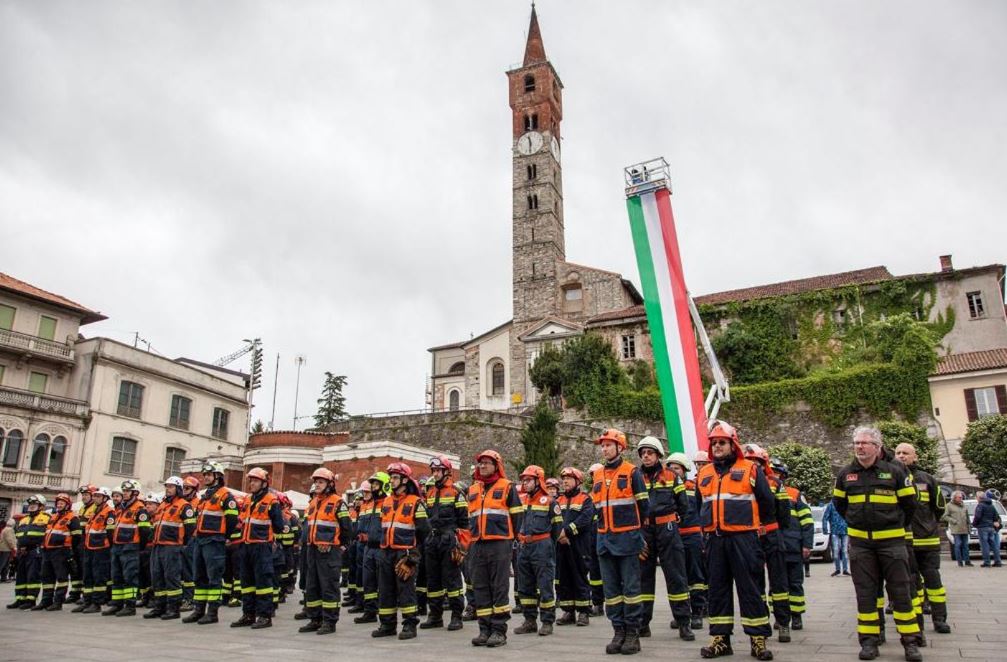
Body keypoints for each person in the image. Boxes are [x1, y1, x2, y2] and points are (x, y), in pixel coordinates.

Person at [833, 426, 921, 662]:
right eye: (856, 443)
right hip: (861, 546)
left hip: (892, 543)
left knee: (901, 593)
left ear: (877, 446)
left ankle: (910, 643)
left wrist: (894, 525)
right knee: (866, 595)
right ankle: (869, 642)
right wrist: (857, 524)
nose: (859, 447)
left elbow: (910, 504)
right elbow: (840, 505)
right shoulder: (845, 474)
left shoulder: (895, 471)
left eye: (864, 443)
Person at [697, 422, 776, 661]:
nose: (717, 446)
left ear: (733, 445)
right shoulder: (704, 473)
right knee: (717, 591)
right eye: (714, 443)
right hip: (715, 540)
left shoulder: (751, 469)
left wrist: (762, 534)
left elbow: (767, 503)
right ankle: (721, 640)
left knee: (751, 590)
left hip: (744, 539)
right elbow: (697, 507)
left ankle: (758, 640)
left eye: (722, 442)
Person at [591, 428, 650, 656]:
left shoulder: (632, 472)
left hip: (627, 540)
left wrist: (639, 537)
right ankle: (618, 631)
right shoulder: (597, 475)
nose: (604, 448)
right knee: (612, 591)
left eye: (608, 445)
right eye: (602, 445)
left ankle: (633, 633)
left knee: (632, 590)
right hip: (605, 541)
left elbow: (644, 507)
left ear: (619, 447)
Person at [635, 436, 694, 641]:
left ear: (658, 455)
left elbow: (683, 505)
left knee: (676, 576)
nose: (646, 456)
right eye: (643, 453)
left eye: (650, 453)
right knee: (643, 578)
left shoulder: (671, 476)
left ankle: (683, 622)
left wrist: (674, 523)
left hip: (668, 530)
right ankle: (643, 624)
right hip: (644, 531)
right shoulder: (636, 477)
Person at [467, 449, 523, 648]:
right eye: (480, 463)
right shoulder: (473, 489)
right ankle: (484, 629)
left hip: (500, 543)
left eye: (487, 463)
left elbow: (517, 516)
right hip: (477, 544)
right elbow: (469, 518)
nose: (483, 466)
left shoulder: (507, 487)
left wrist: (512, 540)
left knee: (499, 587)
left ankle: (499, 631)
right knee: (480, 587)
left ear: (496, 466)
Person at [894, 443, 950, 635]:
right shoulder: (892, 479)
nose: (901, 456)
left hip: (928, 541)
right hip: (904, 541)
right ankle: (917, 623)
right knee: (911, 583)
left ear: (914, 457)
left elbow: (939, 507)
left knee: (933, 581)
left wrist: (928, 524)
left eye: (905, 453)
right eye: (898, 453)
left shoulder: (927, 479)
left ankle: (940, 619)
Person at [373, 462, 430, 640]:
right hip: (386, 551)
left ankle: (409, 625)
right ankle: (388, 624)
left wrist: (413, 556)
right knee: (385, 589)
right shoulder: (387, 502)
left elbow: (424, 532)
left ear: (405, 479)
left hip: (404, 553)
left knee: (406, 590)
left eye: (396, 477)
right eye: (391, 477)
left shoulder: (416, 503)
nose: (392, 480)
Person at [744, 444, 791, 642]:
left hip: (772, 535)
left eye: (757, 461)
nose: (753, 464)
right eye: (750, 460)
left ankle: (783, 623)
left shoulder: (774, 483)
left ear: (763, 463)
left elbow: (784, 514)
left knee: (779, 581)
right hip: (751, 536)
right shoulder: (741, 481)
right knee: (755, 582)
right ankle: (761, 619)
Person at [184, 461, 239, 625]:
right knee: (199, 576)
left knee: (214, 577)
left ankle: (212, 612)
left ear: (217, 476)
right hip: (200, 540)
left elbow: (232, 519)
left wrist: (224, 536)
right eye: (205, 474)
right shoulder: (205, 496)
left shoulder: (226, 496)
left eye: (209, 474)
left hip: (214, 540)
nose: (206, 477)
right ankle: (198, 609)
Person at [299, 467, 352, 635]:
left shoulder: (338, 502)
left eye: (321, 482)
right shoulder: (313, 502)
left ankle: (329, 621)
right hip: (312, 550)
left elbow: (347, 528)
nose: (317, 485)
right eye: (316, 482)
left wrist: (341, 546)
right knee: (312, 585)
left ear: (330, 484)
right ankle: (315, 619)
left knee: (329, 586)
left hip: (329, 552)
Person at [230, 468, 286, 629]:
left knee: (263, 582)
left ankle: (264, 616)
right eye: (251, 480)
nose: (251, 483)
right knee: (246, 582)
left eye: (255, 481)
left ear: (263, 483)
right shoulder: (248, 500)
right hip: (246, 546)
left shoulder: (272, 501)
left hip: (262, 547)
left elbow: (279, 526)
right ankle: (248, 614)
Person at [513, 465, 562, 637]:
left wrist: (547, 543)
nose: (525, 483)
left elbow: (557, 527)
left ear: (538, 481)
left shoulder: (549, 501)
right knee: (525, 586)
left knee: (545, 584)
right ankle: (529, 621)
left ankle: (547, 622)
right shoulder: (521, 500)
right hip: (523, 547)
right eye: (523, 480)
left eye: (528, 480)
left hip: (542, 546)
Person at [421, 455, 469, 631]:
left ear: (446, 472)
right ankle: (435, 616)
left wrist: (462, 547)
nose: (435, 474)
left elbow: (465, 523)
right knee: (433, 580)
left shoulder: (457, 493)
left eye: (438, 470)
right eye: (433, 471)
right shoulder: (431, 492)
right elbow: (427, 518)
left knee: (452, 580)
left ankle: (457, 616)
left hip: (449, 540)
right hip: (433, 540)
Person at [146, 476, 196, 620]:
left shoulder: (184, 506)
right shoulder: (162, 505)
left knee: (171, 577)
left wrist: (182, 544)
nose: (167, 489)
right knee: (157, 576)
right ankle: (159, 607)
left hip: (173, 546)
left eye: (171, 487)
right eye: (166, 486)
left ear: (178, 489)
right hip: (158, 545)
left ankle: (173, 609)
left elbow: (190, 527)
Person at [775, 459, 813, 634]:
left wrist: (807, 544)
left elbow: (807, 521)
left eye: (777, 472)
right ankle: (780, 617)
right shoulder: (764, 493)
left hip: (793, 546)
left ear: (783, 475)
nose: (774, 475)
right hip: (774, 546)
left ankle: (796, 616)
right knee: (777, 586)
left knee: (795, 583)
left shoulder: (795, 494)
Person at [103, 479, 150, 617]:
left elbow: (145, 531)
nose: (125, 493)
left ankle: (130, 605)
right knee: (116, 576)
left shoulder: (140, 509)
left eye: (127, 491)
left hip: (131, 547)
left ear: (135, 493)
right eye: (123, 491)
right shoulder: (120, 509)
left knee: (130, 577)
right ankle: (117, 604)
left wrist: (138, 547)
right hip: (117, 546)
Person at [555, 466, 594, 627]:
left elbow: (586, 519)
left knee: (580, 576)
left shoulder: (585, 499)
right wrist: (560, 534)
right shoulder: (558, 500)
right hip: (562, 544)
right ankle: (568, 610)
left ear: (577, 482)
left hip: (579, 544)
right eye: (563, 479)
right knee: (564, 577)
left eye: (569, 479)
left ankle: (584, 611)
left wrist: (567, 531)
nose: (565, 482)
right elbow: (554, 519)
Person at [36, 492, 81, 611]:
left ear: (67, 505)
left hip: (61, 551)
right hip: (48, 551)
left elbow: (77, 537)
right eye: (58, 503)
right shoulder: (53, 517)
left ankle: (58, 602)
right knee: (47, 578)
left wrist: (70, 550)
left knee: (61, 578)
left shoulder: (73, 518)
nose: (59, 505)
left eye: (62, 503)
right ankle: (46, 600)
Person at [76, 487, 115, 613]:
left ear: (105, 498)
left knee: (99, 576)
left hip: (101, 549)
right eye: (95, 496)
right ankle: (87, 601)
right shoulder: (94, 512)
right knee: (88, 576)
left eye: (98, 496)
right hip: (89, 547)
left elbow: (110, 532)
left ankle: (97, 603)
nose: (95, 498)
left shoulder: (109, 512)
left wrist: (108, 547)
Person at [8, 495, 47, 609]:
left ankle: (31, 600)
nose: (32, 506)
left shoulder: (46, 518)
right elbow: (18, 535)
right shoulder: (23, 519)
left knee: (32, 576)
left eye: (35, 504)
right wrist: (18, 549)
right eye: (30, 504)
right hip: (22, 551)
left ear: (41, 506)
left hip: (35, 550)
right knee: (21, 576)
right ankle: (20, 598)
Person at [179, 475, 201, 611]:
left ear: (194, 490)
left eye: (187, 488)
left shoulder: (198, 503)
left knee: (189, 570)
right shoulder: (180, 503)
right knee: (181, 570)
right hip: (180, 540)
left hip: (192, 539)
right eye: (183, 488)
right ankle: (183, 597)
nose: (184, 490)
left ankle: (190, 598)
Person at [973, 490, 1002, 567]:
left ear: (979, 498)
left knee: (984, 545)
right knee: (993, 545)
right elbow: (996, 516)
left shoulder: (980, 505)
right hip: (991, 527)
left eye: (976, 497)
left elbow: (977, 516)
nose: (976, 498)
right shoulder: (991, 505)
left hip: (983, 527)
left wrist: (974, 524)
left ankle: (987, 562)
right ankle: (998, 561)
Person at [941, 491, 970, 567]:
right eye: (959, 497)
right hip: (956, 529)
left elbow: (967, 517)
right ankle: (960, 562)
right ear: (954, 498)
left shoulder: (963, 505)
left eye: (961, 497)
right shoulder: (949, 506)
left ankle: (967, 561)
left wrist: (969, 526)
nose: (961, 498)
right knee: (958, 545)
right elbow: (944, 516)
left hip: (965, 528)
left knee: (966, 545)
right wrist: (954, 521)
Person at [822, 498, 850, 576]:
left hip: (845, 531)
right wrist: (825, 529)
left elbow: (850, 516)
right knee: (836, 550)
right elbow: (825, 517)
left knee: (844, 550)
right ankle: (837, 569)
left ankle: (845, 569)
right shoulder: (831, 505)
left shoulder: (846, 504)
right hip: (835, 531)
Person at [0, 518, 15, 583]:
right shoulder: (9, 530)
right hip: (6, 549)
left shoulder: (5, 529)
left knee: (5, 564)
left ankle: (4, 578)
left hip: (4, 548)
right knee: (3, 564)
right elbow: (10, 540)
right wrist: (13, 547)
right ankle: (3, 578)